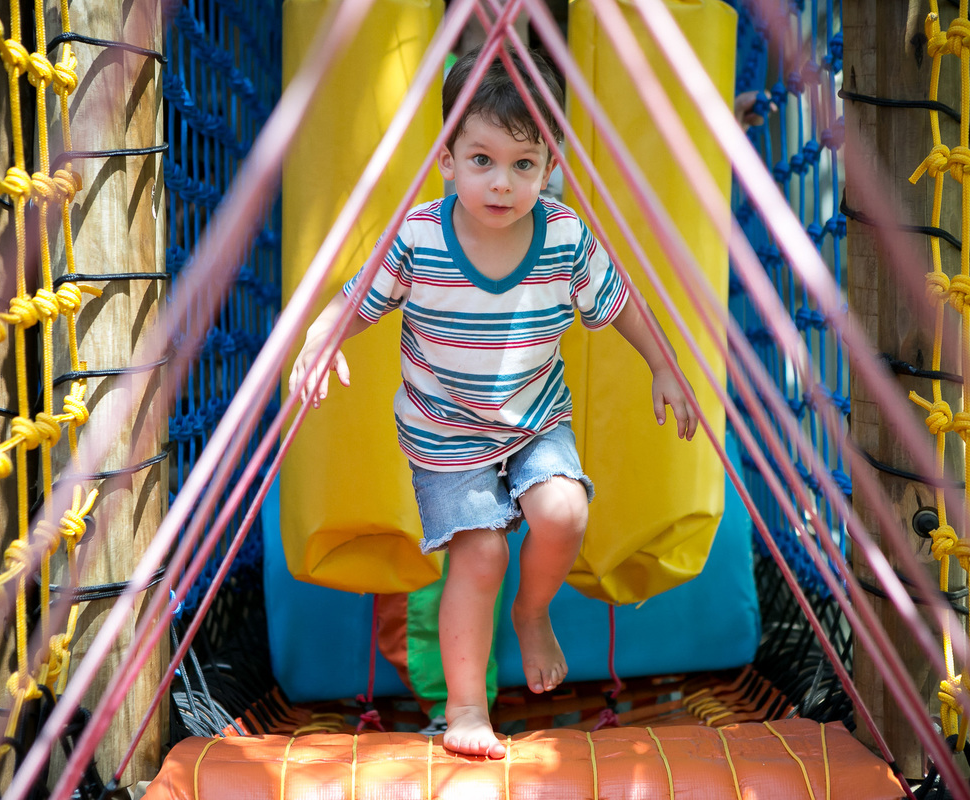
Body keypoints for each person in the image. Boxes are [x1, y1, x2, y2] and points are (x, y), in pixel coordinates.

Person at [288, 46, 697, 759]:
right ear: (446, 158)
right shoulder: (419, 235)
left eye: (523, 164)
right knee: (479, 555)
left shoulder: (564, 237)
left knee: (563, 510)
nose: (502, 183)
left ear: (550, 166)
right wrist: (325, 336)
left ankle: (533, 612)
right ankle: (467, 711)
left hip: (536, 419)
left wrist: (664, 365)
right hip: (444, 432)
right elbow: (359, 300)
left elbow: (624, 303)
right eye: (482, 160)